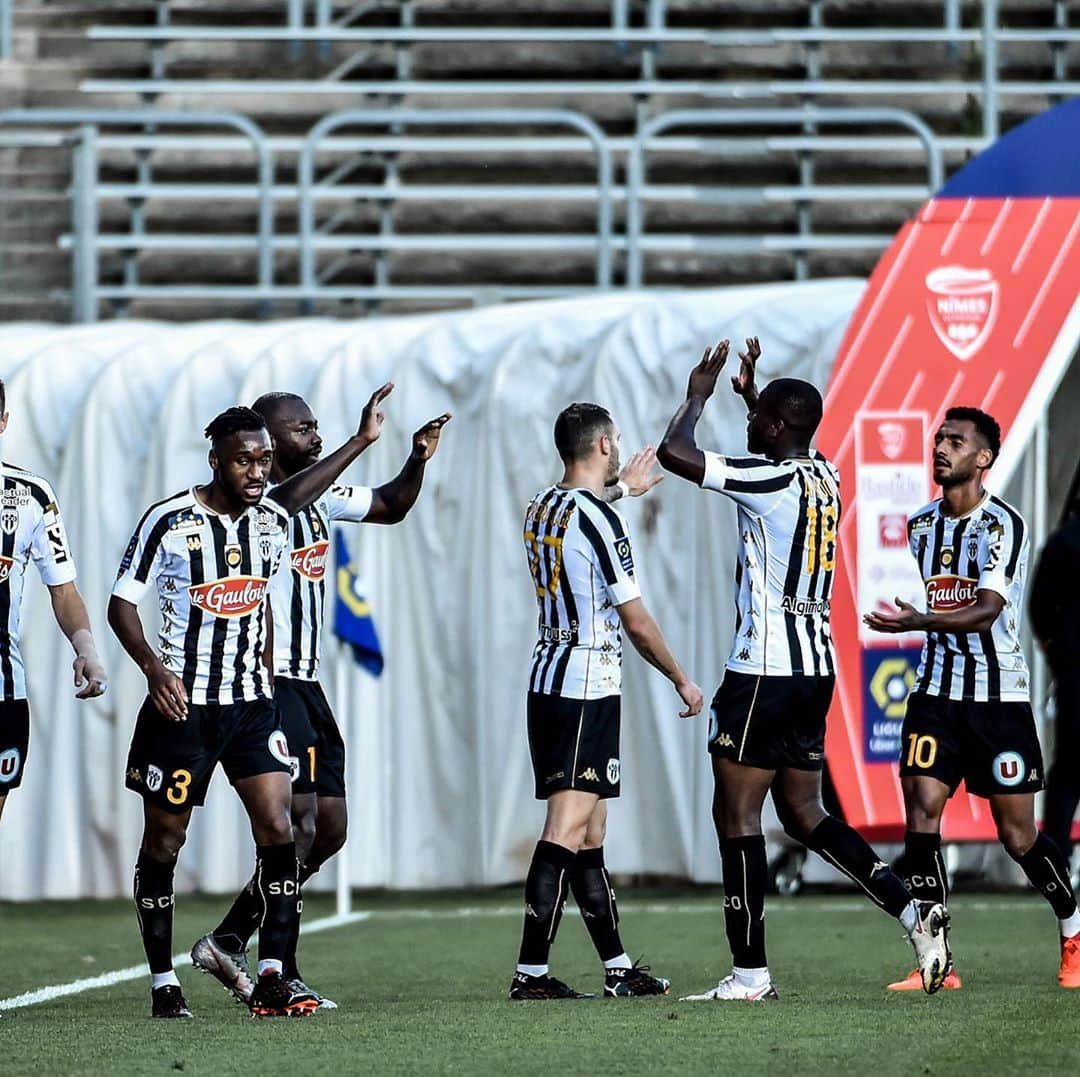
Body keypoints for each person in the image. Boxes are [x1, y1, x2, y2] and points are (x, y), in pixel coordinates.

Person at [657, 338, 950, 1001]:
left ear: (780, 428)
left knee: (736, 814)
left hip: (762, 669)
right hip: (813, 668)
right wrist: (754, 395)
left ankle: (751, 974)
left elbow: (677, 452)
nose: (750, 422)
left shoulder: (771, 480)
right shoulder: (825, 473)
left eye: (760, 417)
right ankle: (912, 909)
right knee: (804, 811)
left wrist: (698, 393)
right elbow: (783, 438)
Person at [109, 390, 391, 1018]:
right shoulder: (169, 521)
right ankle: (162, 981)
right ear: (216, 461)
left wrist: (366, 441)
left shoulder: (272, 519)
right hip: (182, 709)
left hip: (251, 707)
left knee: (281, 829)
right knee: (164, 843)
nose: (258, 472)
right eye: (245, 461)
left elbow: (306, 501)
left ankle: (273, 974)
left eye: (264, 461)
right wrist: (154, 670)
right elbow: (121, 604)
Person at [191, 391, 451, 1009]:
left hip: (308, 681)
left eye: (316, 425)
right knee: (297, 824)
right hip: (269, 682)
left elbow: (389, 506)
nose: (314, 433)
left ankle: (231, 936)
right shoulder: (261, 508)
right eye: (302, 428)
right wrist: (360, 442)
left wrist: (416, 459)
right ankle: (282, 970)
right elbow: (285, 499)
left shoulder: (322, 499)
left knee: (328, 829)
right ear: (268, 441)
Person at [866, 406, 1080, 991]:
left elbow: (987, 611)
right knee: (922, 809)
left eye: (955, 441)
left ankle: (1072, 928)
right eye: (939, 438)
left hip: (998, 701)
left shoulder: (1002, 526)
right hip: (934, 693)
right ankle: (937, 959)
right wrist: (926, 625)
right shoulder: (919, 527)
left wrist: (920, 619)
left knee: (1017, 836)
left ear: (982, 458)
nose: (941, 447)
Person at [509, 403, 704, 1000]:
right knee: (566, 827)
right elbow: (637, 620)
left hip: (549, 679)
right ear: (600, 445)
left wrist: (624, 489)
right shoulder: (599, 520)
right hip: (585, 687)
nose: (620, 447)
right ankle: (530, 974)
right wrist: (680, 677)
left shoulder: (542, 505)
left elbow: (583, 516)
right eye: (615, 440)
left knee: (591, 831)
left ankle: (617, 968)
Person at [0, 377, 108, 825]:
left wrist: (86, 650)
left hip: (3, 690)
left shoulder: (30, 497)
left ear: (3, 422)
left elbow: (63, 590)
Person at [1030, 495, 1080, 877]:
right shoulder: (1065, 542)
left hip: (1073, 669)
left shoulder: (1063, 541)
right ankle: (1058, 855)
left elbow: (1039, 607)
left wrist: (1057, 651)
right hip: (1073, 666)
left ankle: (1056, 858)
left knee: (1069, 767)